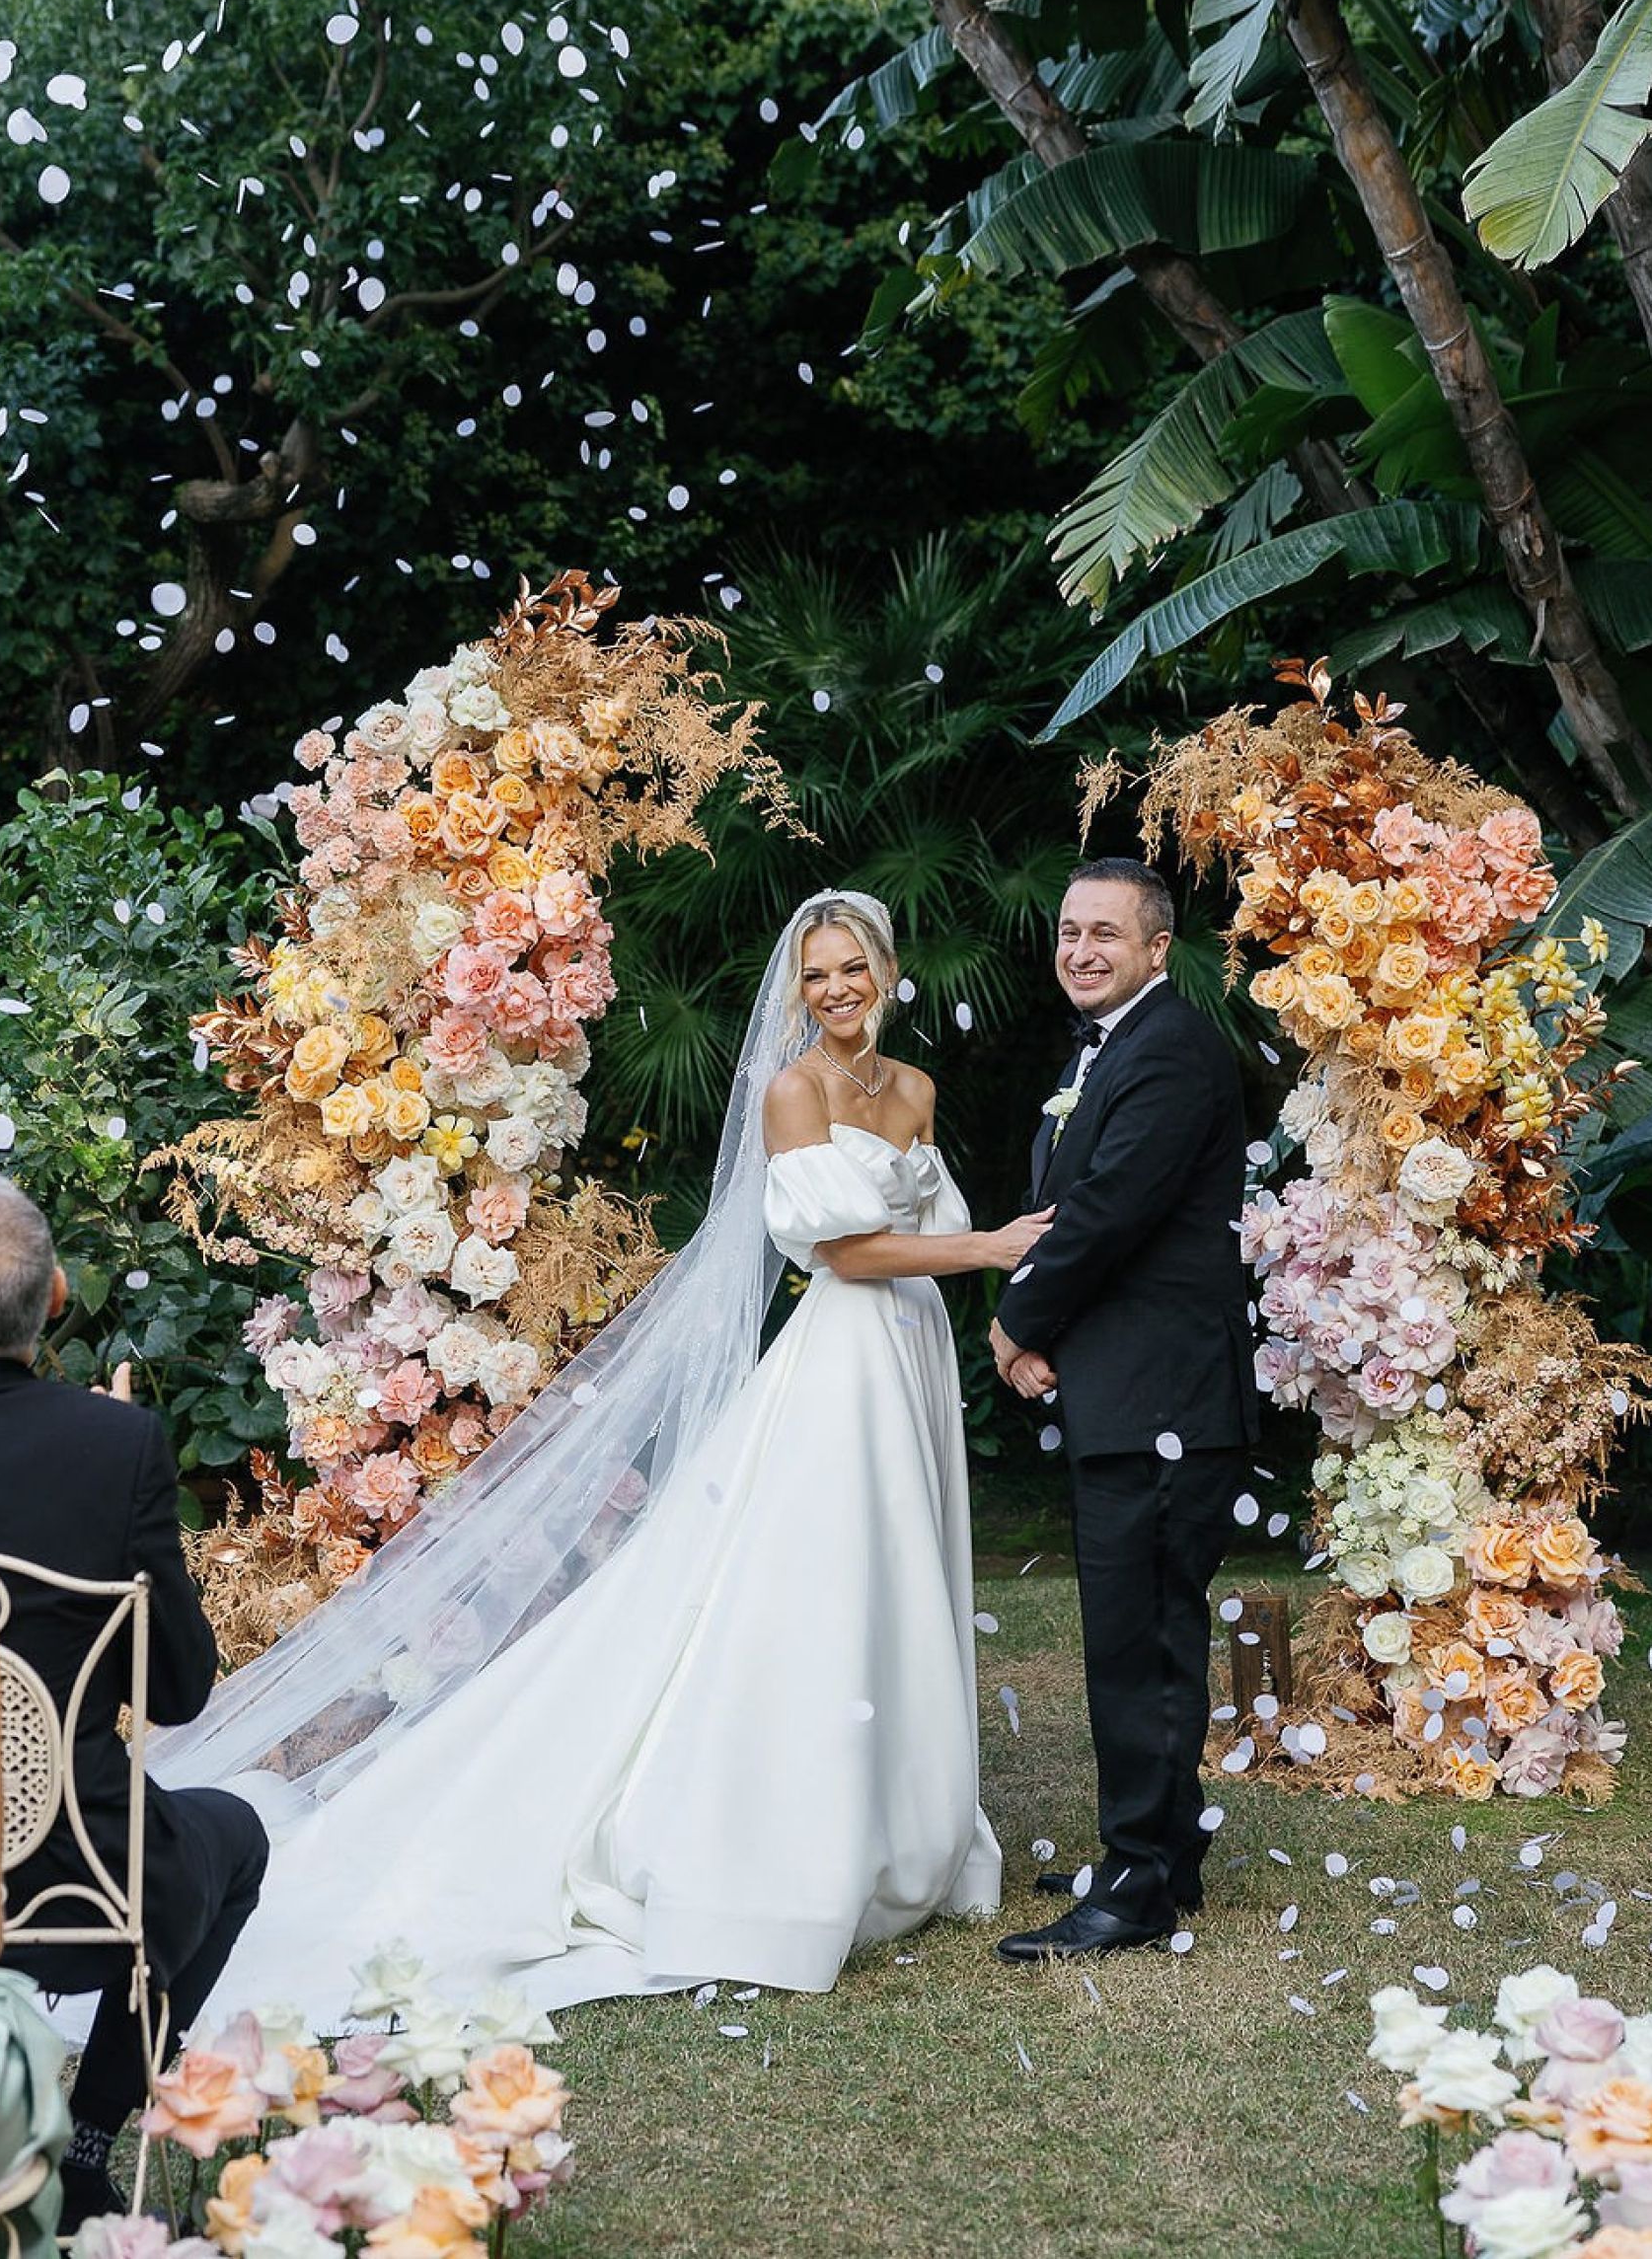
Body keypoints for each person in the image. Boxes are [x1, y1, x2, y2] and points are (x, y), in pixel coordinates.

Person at [158, 893, 1048, 2022]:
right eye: (815, 974)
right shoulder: (796, 1093)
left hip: (911, 1350)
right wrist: (992, 1248)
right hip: (843, 1360)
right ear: (799, 988)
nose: (834, 991)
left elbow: (926, 1231)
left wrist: (1003, 1321)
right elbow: (844, 1246)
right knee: (823, 1581)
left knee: (905, 1576)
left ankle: (907, 1823)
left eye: (852, 970)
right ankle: (791, 1837)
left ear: (886, 970)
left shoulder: (913, 1090)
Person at [0, 1173, 268, 2233]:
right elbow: (181, 1690)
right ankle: (92, 2146)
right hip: (79, 1892)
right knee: (233, 1835)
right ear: (55, 1298)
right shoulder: (115, 1449)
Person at [989, 858, 1255, 1962]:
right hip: (1135, 1393)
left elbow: (1103, 1214)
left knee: (1138, 1646)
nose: (1080, 949)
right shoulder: (1112, 1051)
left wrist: (1017, 1322)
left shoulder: (1173, 1051)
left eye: (1106, 932)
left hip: (1167, 1401)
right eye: (1067, 931)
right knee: (1145, 1637)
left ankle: (1138, 1885)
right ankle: (1163, 1855)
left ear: (1158, 949)